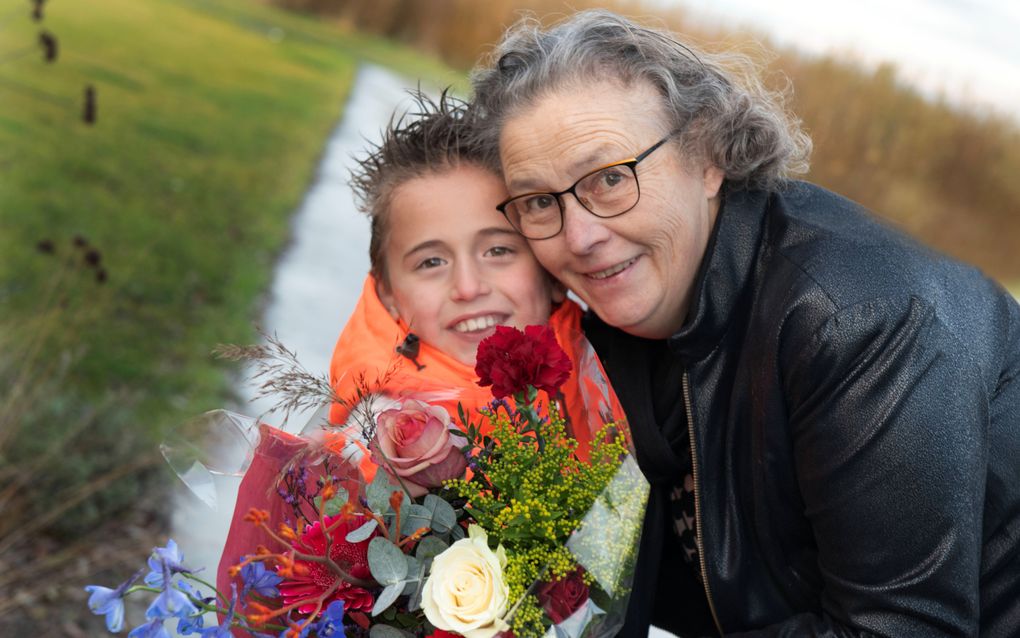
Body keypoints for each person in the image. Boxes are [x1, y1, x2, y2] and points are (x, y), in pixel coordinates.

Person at [471, 10, 1020, 637]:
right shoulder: (625, 331)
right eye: (541, 201)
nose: (581, 236)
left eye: (610, 179)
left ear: (708, 157)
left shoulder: (856, 320)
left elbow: (900, 629)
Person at [215, 92, 626, 608]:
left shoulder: (616, 373)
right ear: (387, 292)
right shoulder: (361, 455)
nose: (469, 286)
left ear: (547, 261)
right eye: (431, 262)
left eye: (499, 250)